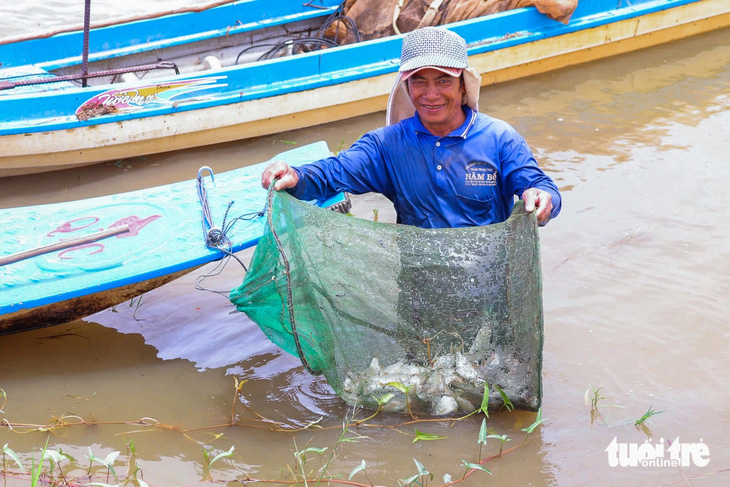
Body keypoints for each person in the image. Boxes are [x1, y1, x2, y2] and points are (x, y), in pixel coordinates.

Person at [261, 26, 561, 228]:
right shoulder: (387, 145)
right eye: (419, 81)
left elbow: (540, 187)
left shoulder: (500, 139)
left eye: (443, 81)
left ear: (462, 87)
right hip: (419, 287)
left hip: (488, 283)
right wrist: (296, 175)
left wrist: (542, 199)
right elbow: (333, 173)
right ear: (406, 87)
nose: (431, 95)